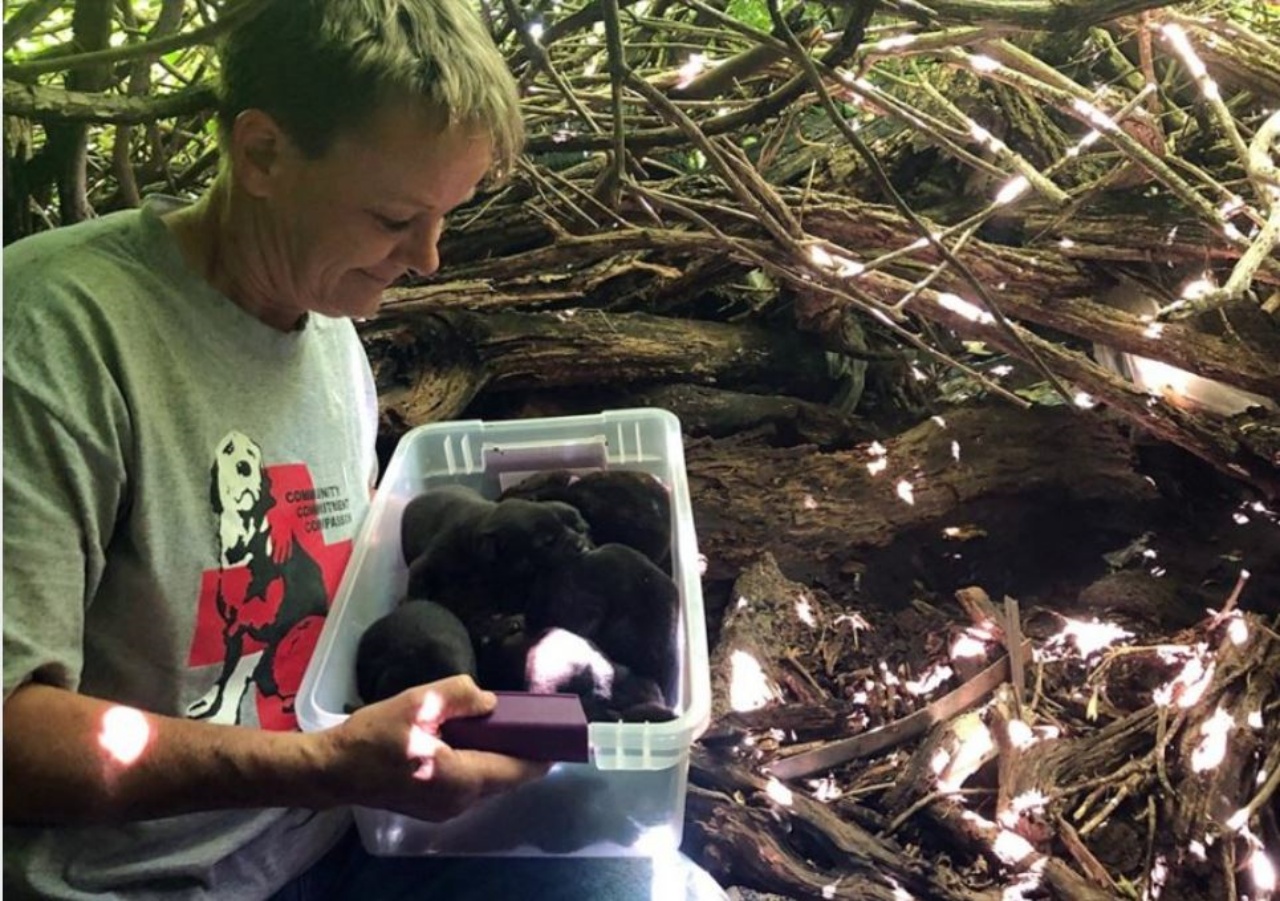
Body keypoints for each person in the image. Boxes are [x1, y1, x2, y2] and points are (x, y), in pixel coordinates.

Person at [1, 1, 729, 898]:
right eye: (393, 218)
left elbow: (366, 617)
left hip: (361, 834)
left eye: (446, 216)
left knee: (669, 886)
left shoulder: (330, 338)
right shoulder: (53, 332)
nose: (428, 258)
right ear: (261, 153)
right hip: (151, 877)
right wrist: (323, 765)